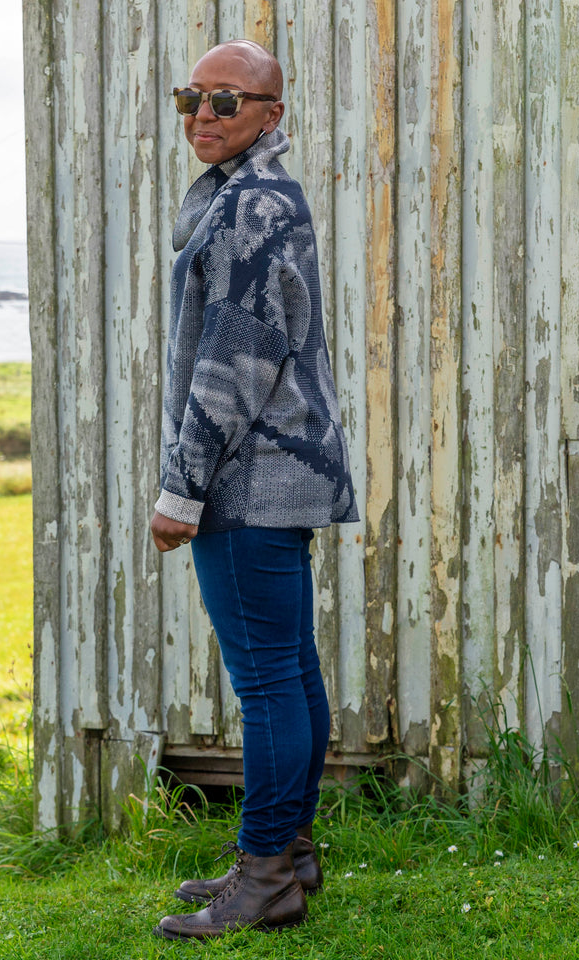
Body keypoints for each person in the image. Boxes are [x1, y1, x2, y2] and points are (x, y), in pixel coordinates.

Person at [150, 38, 358, 941]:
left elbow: (233, 363)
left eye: (227, 101)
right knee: (292, 671)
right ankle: (292, 854)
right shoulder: (256, 197)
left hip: (248, 480)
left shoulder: (248, 208)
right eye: (192, 96)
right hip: (285, 473)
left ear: (272, 116)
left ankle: (267, 869)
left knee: (269, 681)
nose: (205, 113)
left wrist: (179, 490)